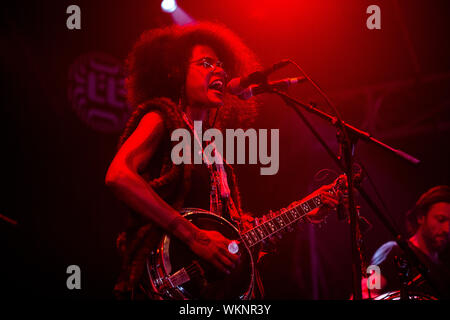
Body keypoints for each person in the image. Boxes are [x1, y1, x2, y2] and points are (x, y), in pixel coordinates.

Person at [105, 22, 342, 300]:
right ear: (176, 71)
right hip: (163, 285)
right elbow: (118, 175)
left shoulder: (212, 148)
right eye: (205, 63)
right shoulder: (160, 118)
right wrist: (195, 237)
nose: (219, 70)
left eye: (220, 64)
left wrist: (304, 210)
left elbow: (233, 240)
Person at [367, 185, 450, 299]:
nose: (447, 229)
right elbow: (367, 292)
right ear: (421, 217)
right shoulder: (393, 250)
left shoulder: (444, 270)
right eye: (441, 219)